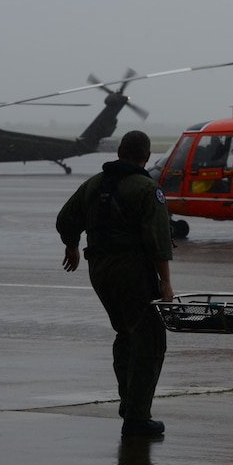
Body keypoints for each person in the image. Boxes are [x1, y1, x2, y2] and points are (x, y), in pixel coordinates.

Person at [57, 130, 174, 437]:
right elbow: (158, 241)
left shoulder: (94, 184)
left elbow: (66, 219)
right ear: (146, 156)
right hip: (132, 270)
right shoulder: (149, 190)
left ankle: (129, 405)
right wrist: (166, 283)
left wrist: (71, 246)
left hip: (100, 270)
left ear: (120, 150)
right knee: (149, 339)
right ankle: (137, 417)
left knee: (126, 333)